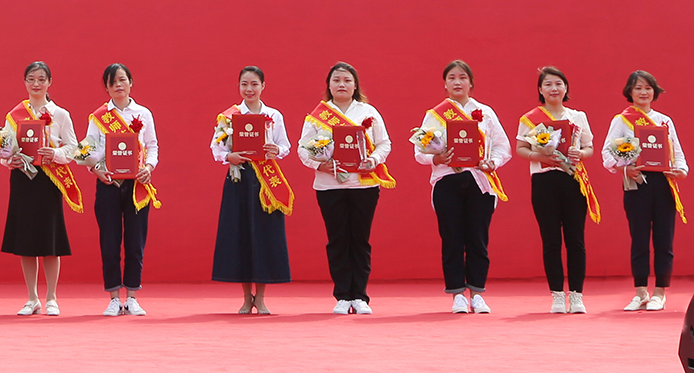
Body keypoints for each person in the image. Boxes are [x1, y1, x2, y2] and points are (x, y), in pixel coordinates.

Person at [295, 62, 394, 315]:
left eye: (347, 80)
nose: (342, 84)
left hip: (364, 185)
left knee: (359, 240)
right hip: (329, 186)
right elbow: (303, 148)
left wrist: (373, 160)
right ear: (329, 85)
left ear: (355, 85)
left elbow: (384, 144)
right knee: (337, 240)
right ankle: (342, 296)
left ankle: (360, 296)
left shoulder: (368, 112)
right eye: (336, 80)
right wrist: (320, 165)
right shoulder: (318, 115)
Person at [415, 60, 513, 314]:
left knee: (477, 239)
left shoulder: (485, 112)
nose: (457, 82)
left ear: (471, 83)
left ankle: (477, 294)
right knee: (452, 239)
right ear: (445, 84)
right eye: (452, 78)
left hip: (479, 181)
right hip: (446, 181)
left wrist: (493, 162)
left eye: (462, 77)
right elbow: (419, 151)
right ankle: (457, 293)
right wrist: (436, 158)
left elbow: (503, 146)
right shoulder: (435, 114)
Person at [0, 61, 80, 316]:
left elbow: (73, 148)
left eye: (41, 79)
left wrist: (55, 153)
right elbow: (3, 148)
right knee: (26, 239)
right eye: (31, 79)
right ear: (24, 82)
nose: (36, 84)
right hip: (23, 179)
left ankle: (52, 297)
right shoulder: (15, 115)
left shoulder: (60, 114)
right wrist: (9, 160)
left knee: (50, 239)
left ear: (49, 83)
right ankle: (32, 298)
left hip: (49, 179)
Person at [602, 70, 689, 311]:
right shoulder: (622, 120)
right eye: (638, 88)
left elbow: (678, 153)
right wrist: (624, 167)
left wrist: (681, 171)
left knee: (664, 240)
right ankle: (640, 292)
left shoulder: (664, 120)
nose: (643, 92)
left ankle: (660, 292)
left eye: (648, 88)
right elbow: (606, 153)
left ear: (654, 92)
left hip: (664, 184)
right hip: (637, 184)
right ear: (629, 92)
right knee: (639, 239)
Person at [514, 66, 598, 314]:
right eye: (548, 84)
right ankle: (558, 295)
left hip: (573, 180)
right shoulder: (530, 118)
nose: (554, 88)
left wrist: (580, 153)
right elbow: (520, 148)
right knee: (551, 240)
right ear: (540, 89)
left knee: (576, 239)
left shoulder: (577, 117)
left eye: (558, 84)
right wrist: (539, 156)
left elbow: (589, 147)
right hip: (544, 181)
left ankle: (577, 295)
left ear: (566, 88)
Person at [78, 63, 159, 316]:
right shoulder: (98, 117)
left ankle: (132, 295)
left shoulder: (143, 114)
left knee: (135, 242)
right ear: (107, 88)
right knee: (110, 241)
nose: (118, 86)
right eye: (113, 82)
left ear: (131, 82)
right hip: (108, 184)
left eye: (122, 80)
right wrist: (95, 170)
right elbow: (87, 150)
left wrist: (149, 167)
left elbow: (152, 145)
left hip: (137, 185)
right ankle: (114, 297)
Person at [210, 65, 292, 315]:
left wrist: (276, 150)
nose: (249, 89)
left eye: (254, 84)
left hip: (266, 182)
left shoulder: (274, 115)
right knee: (241, 235)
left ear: (263, 86)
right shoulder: (228, 117)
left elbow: (285, 146)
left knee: (265, 236)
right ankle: (247, 297)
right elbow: (216, 148)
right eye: (244, 84)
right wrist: (229, 156)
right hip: (240, 180)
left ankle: (262, 297)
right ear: (238, 87)